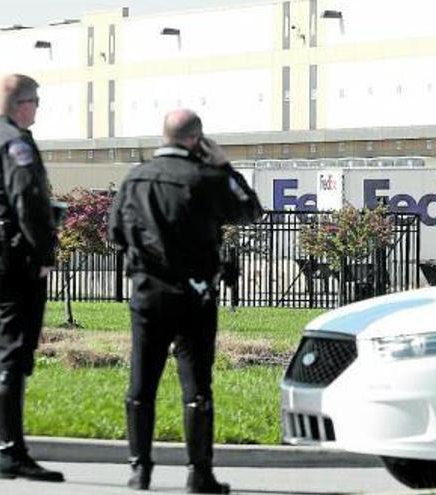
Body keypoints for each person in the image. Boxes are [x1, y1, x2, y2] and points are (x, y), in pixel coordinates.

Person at [109, 109, 262, 493]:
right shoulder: (206, 177)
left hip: (147, 294)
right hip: (195, 295)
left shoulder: (135, 178)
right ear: (197, 139)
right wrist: (225, 166)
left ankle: (139, 469)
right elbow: (250, 209)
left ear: (163, 136)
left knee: (142, 383)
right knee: (196, 386)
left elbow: (115, 232)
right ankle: (199, 473)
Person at [0, 74, 64, 482]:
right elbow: (26, 200)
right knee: (12, 355)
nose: (37, 108)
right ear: (22, 103)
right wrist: (44, 253)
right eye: (36, 101)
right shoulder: (15, 143)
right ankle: (11, 452)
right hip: (13, 262)